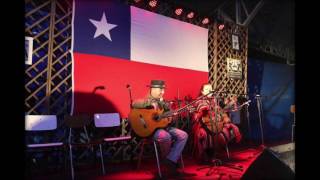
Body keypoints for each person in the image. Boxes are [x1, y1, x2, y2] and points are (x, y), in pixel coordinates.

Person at [132, 80, 189, 177]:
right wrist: (149, 104)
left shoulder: (164, 103)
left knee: (183, 135)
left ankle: (170, 160)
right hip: (150, 131)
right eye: (160, 89)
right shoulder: (145, 100)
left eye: (163, 90)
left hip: (164, 127)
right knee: (165, 136)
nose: (162, 92)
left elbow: (170, 115)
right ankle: (170, 166)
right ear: (152, 89)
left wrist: (171, 117)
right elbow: (134, 103)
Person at [191, 83, 242, 163]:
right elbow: (202, 114)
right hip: (203, 125)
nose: (210, 91)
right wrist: (207, 111)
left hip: (215, 123)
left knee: (228, 129)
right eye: (207, 90)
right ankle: (207, 155)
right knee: (204, 133)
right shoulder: (199, 101)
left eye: (211, 89)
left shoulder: (214, 100)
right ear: (202, 92)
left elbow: (220, 111)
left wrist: (224, 117)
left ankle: (214, 153)